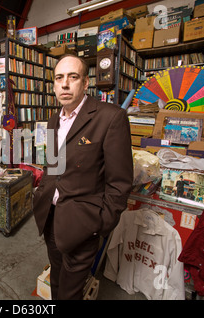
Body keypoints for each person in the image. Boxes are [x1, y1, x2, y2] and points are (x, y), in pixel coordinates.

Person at [33, 54, 133, 300]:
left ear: (86, 83)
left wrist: (100, 224)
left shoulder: (111, 117)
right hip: (51, 216)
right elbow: (53, 166)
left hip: (84, 223)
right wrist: (42, 193)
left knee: (70, 292)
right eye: (59, 78)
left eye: (73, 77)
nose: (65, 84)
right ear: (54, 85)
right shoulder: (54, 120)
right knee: (55, 279)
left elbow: (119, 182)